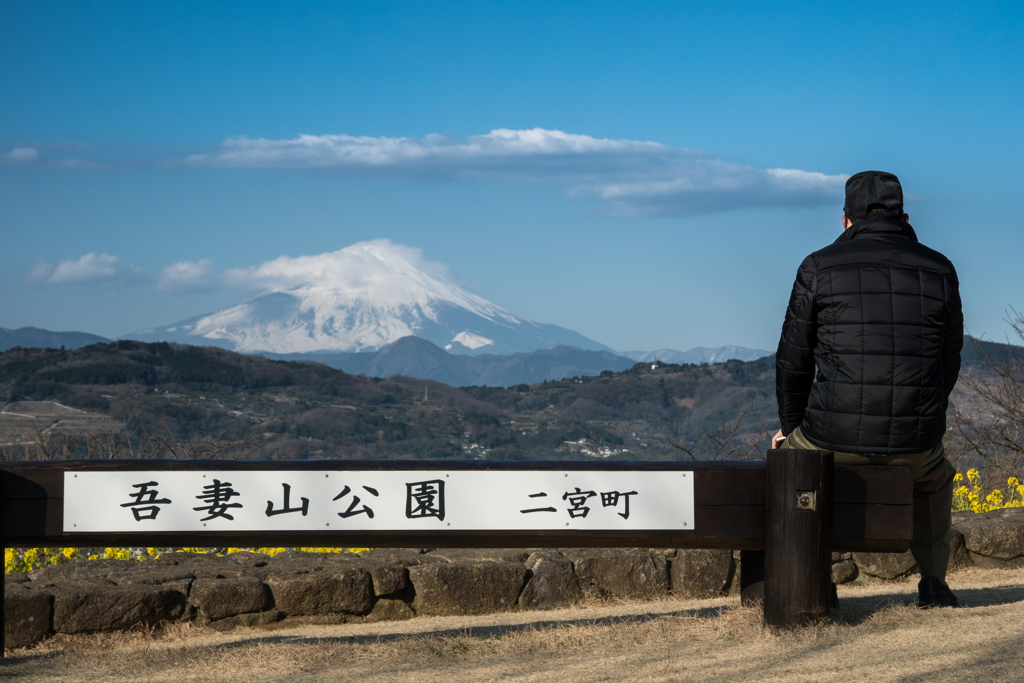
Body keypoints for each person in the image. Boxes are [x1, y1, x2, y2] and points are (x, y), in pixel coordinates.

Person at [771, 170, 963, 608]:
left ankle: (812, 576)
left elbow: (792, 359)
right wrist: (924, 414)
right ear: (905, 216)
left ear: (846, 221)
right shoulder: (941, 269)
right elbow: (947, 360)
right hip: (916, 439)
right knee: (934, 479)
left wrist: (791, 426)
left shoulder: (818, 265)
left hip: (830, 436)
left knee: (791, 463)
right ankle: (934, 582)